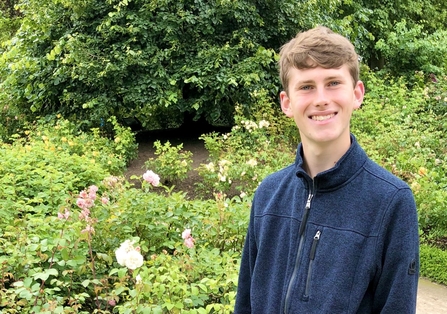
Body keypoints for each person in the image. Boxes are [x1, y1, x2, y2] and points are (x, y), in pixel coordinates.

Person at [234, 26, 419, 313]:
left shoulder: (391, 201)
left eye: (333, 82)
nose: (321, 98)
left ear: (357, 94)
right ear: (287, 103)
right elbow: (245, 301)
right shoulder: (268, 194)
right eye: (306, 86)